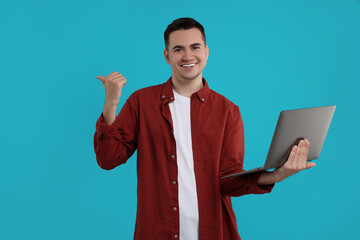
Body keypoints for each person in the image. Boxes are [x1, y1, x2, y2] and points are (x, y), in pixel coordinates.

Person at [93, 17, 315, 240]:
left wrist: (277, 174)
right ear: (167, 56)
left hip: (214, 231)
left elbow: (230, 180)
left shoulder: (228, 111)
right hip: (156, 232)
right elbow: (108, 159)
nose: (188, 56)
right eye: (178, 49)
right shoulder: (142, 102)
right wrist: (111, 104)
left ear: (207, 52)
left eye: (195, 47)